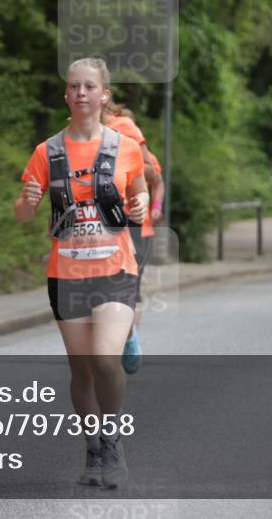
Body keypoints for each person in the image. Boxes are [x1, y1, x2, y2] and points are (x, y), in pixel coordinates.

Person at [16, 57, 148, 488]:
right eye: (74, 86)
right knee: (82, 371)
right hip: (68, 274)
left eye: (89, 86)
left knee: (105, 360)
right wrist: (28, 203)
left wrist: (142, 203)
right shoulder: (47, 151)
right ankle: (93, 446)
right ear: (66, 94)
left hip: (116, 268)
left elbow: (139, 189)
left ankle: (112, 441)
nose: (81, 93)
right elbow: (22, 213)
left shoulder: (125, 147)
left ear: (104, 94)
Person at [100, 102, 160, 375]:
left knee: (127, 291)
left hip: (132, 224)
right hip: (96, 227)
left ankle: (128, 337)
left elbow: (152, 172)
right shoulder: (74, 135)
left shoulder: (124, 127)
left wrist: (119, 165)